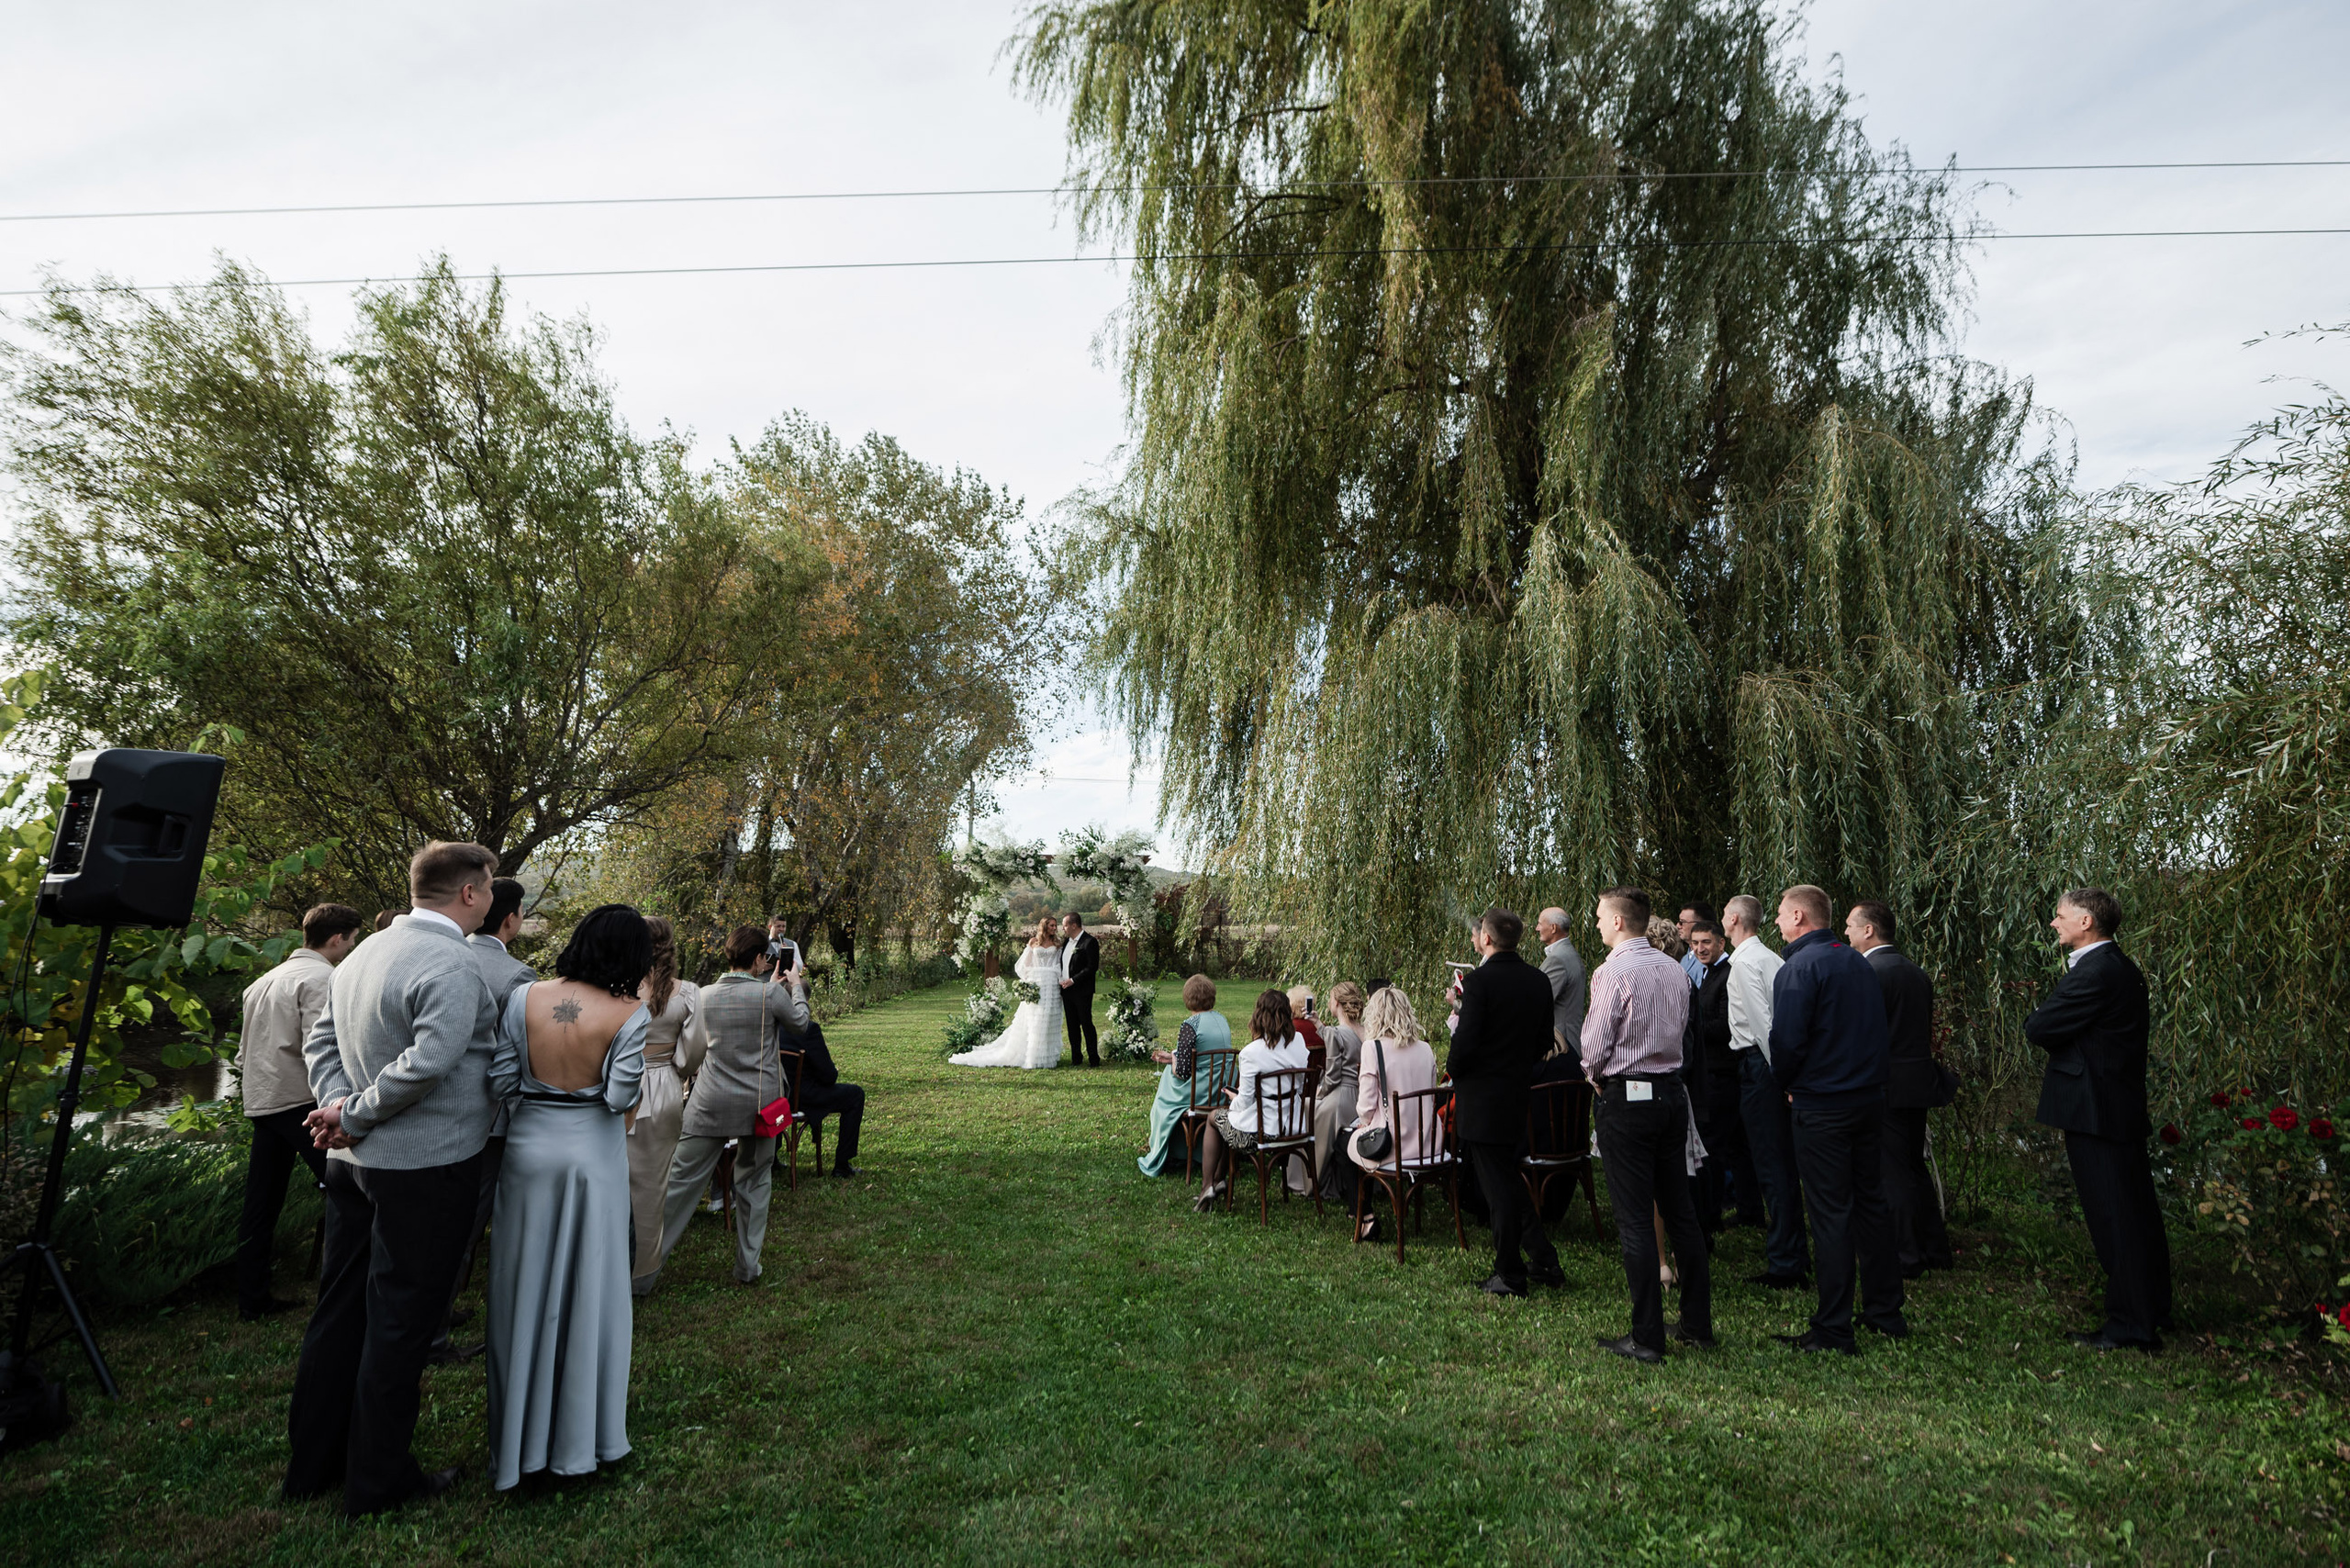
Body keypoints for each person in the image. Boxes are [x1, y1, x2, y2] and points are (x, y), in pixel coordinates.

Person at [285, 842, 502, 1517]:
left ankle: (311, 1464)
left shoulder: (363, 953)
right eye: (490, 885)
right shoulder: (451, 960)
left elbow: (319, 1042)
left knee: (339, 1309)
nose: (493, 896)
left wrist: (340, 1109)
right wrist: (353, 1111)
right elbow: (431, 1059)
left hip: (354, 1165)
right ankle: (377, 1483)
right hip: (424, 1167)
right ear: (469, 892)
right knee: (401, 1323)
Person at [485, 903, 649, 1491]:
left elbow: (501, 1080)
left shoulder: (523, 996)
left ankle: (518, 1449)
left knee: (521, 1287)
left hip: (528, 1151)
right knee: (592, 1287)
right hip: (592, 1155)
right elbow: (618, 1096)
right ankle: (586, 1442)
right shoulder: (630, 1011)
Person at [2027, 888, 2170, 1352]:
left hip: (2097, 1109)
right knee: (2132, 1213)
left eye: (2061, 916)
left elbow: (2040, 1027)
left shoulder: (2095, 971)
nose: (2054, 923)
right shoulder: (2116, 967)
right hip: (2112, 1106)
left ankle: (2131, 1325)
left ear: (2086, 922)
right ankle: (2149, 1309)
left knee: (2116, 1219)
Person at [1769, 884, 1907, 1354]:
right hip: (1868, 1100)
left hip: (1823, 1104)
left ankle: (1833, 1327)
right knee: (1871, 1203)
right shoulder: (1858, 962)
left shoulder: (1799, 967)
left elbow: (1786, 1042)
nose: (1778, 923)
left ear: (1801, 918)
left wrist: (1785, 1082)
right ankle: (1885, 1310)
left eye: (1783, 915)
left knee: (1830, 1214)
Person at [1583, 887, 1710, 1361]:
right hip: (1673, 1094)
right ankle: (1697, 1324)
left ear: (1619, 922)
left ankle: (1646, 1338)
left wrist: (1593, 1078)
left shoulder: (1612, 971)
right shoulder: (1675, 970)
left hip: (1628, 1098)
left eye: (1600, 916)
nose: (1596, 923)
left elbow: (1594, 1045)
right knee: (1680, 1212)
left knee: (1635, 1219)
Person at [648, 924, 810, 1289]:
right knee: (754, 1181)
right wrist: (795, 987)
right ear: (756, 959)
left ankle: (641, 1270)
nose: (768, 965)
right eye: (765, 959)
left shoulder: (701, 994)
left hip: (709, 1102)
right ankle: (748, 1267)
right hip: (761, 1104)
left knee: (678, 1184)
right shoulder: (772, 994)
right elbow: (801, 1024)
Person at [233, 902, 364, 1321]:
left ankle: (252, 1298)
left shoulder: (262, 981)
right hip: (304, 1105)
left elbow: (241, 1055)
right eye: (353, 938)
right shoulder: (323, 978)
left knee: (261, 1202)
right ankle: (348, 1294)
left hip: (262, 1102)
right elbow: (320, 1049)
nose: (353, 946)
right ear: (338, 938)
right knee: (351, 1194)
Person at [435, 874, 538, 1361]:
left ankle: (439, 1307)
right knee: (464, 1221)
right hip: (488, 1115)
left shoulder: (440, 956)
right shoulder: (518, 977)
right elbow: (516, 1056)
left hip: (428, 1109)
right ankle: (434, 1330)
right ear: (512, 918)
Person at [1446, 907, 1564, 1297]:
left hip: (1482, 1097)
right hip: (1517, 1093)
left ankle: (1510, 1273)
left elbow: (1465, 1041)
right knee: (1507, 1179)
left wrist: (1456, 1071)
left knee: (1498, 1188)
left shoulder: (1478, 983)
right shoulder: (1537, 980)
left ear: (1487, 939)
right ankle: (1544, 1258)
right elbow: (1543, 1042)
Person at [1845, 900, 1953, 1276]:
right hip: (1917, 1080)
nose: (1846, 932)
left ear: (1869, 930)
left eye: (1850, 926)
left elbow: (1862, 1034)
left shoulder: (1869, 972)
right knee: (1912, 1166)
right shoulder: (1914, 971)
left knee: (1891, 1172)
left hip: (1886, 1083)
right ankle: (1936, 1250)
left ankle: (1906, 1256)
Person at [1725, 893, 1808, 1287]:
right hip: (1770, 1066)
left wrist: (1781, 1077)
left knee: (1772, 1165)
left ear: (1736, 920)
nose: (1722, 917)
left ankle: (1786, 1263)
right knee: (1781, 1165)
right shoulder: (1771, 957)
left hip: (1760, 1067)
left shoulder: (1743, 962)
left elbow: (1763, 1024)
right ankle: (1792, 1253)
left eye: (1725, 912)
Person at [628, 916, 705, 1295]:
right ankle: (641, 1275)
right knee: (653, 1186)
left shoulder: (617, 986)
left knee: (614, 1182)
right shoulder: (688, 992)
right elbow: (693, 1052)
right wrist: (674, 1069)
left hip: (618, 1085)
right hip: (663, 1088)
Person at [1340, 985, 1445, 1241]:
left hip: (1392, 1145)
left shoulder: (1373, 1048)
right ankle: (1367, 1212)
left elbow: (1365, 1106)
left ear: (1375, 1015)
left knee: (1342, 1143)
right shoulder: (1425, 1049)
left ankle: (1365, 1217)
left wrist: (1364, 1124)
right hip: (1429, 1143)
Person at [1193, 989, 1308, 1213]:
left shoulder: (1251, 1052)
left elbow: (1244, 1102)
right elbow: (1301, 1084)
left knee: (1214, 1118)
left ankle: (1208, 1184)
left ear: (1258, 1015)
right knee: (1226, 1122)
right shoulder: (1299, 1041)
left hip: (1261, 1131)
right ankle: (1218, 1181)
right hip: (1295, 1126)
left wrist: (1233, 1101)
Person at [1684, 919, 1751, 1233]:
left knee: (1713, 1149)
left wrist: (1690, 1025)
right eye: (1695, 943)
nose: (1699, 949)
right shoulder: (1709, 973)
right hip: (1714, 1073)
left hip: (1721, 1075)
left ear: (1721, 943)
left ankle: (1711, 1218)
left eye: (1706, 943)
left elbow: (1725, 1026)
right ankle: (1748, 1210)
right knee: (1734, 1146)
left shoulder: (1728, 975)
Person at [1139, 975, 1232, 1176]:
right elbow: (1205, 1054)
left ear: (1187, 998)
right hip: (1221, 1091)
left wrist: (1173, 1059)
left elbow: (1181, 1073)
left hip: (1200, 1093)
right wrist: (1174, 1055)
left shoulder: (1191, 1024)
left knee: (1165, 1088)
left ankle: (1163, 1150)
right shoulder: (1222, 1019)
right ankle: (1187, 1149)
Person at [949, 917, 1066, 1070]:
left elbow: (1059, 964)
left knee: (1049, 1019)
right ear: (1044, 926)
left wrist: (1056, 977)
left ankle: (1046, 1056)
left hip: (1051, 984)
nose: (1054, 928)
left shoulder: (1057, 944)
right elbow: (1025, 964)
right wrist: (1027, 982)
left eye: (1055, 926)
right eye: (1051, 925)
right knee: (1035, 1019)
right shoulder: (1033, 942)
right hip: (1036, 982)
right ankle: (1033, 1057)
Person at [1307, 981, 1366, 1199]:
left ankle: (1311, 1180)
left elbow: (1332, 1076)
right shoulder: (1365, 1031)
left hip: (1340, 1096)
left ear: (1337, 1003)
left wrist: (1319, 1093)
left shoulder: (1335, 1032)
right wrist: (1318, 1025)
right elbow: (1342, 1041)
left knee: (1310, 1109)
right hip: (1360, 1097)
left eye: (1331, 998)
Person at [789, 1019, 867, 1179]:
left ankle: (772, 1159)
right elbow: (829, 1075)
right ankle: (842, 1165)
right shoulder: (809, 1029)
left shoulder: (769, 1026)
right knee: (855, 1095)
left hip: (776, 1098)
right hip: (806, 1097)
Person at [1534, 907, 1587, 1074]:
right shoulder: (1568, 954)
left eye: (1539, 924)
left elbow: (1538, 1001)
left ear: (1553, 928)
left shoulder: (1557, 959)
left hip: (1560, 1048)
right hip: (1569, 1043)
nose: (1536, 928)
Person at [1059, 912, 1102, 1066]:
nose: (1063, 928)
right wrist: (1062, 980)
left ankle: (1093, 1058)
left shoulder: (1089, 942)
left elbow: (1092, 967)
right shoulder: (1066, 942)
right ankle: (1076, 1058)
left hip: (1082, 991)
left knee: (1086, 1023)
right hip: (1066, 991)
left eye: (1064, 925)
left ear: (1073, 925)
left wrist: (1073, 980)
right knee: (1071, 1025)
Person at [1675, 902, 1718, 989]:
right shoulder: (1685, 957)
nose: (1678, 926)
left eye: (1682, 922)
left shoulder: (1708, 959)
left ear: (1700, 924)